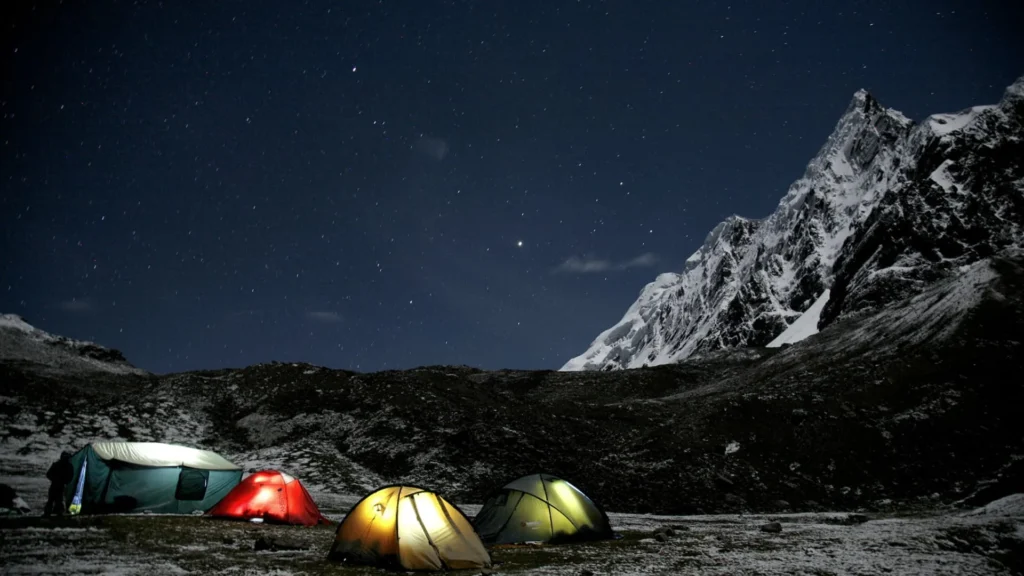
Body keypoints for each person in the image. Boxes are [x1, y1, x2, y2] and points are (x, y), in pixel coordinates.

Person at [43, 451, 74, 516]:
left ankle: (50, 513)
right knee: (56, 500)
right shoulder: (68, 466)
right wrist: (63, 481)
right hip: (58, 485)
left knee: (53, 500)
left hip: (56, 485)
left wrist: (56, 480)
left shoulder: (58, 464)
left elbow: (48, 474)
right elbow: (70, 476)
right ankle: (57, 513)